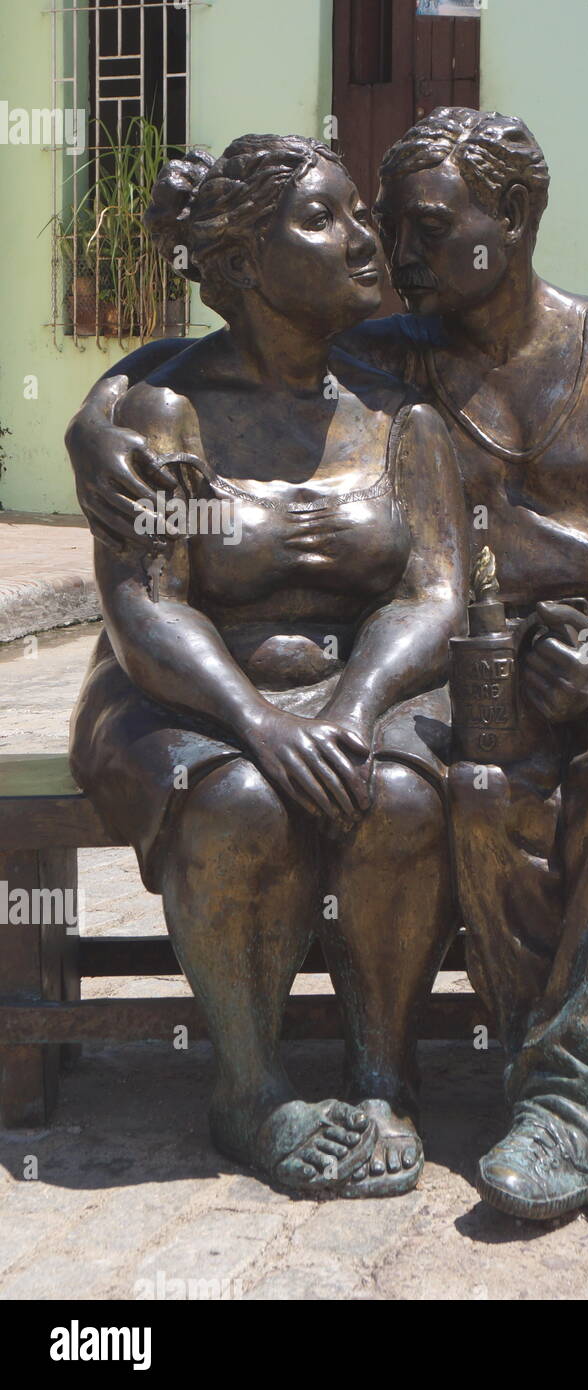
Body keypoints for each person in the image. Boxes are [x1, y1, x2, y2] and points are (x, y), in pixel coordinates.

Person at [66, 109, 588, 1220]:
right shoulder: (388, 349)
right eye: (376, 224)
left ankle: (587, 1098)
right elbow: (209, 352)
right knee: (454, 788)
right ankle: (470, 1086)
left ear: (513, 217)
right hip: (478, 663)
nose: (392, 251)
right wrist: (94, 422)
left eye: (422, 228)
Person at [68, 135, 468, 1198]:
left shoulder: (400, 418)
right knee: (245, 799)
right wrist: (258, 718)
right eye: (321, 217)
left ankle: (385, 1072)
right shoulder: (166, 414)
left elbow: (434, 592)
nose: (360, 237)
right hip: (181, 696)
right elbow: (145, 608)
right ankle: (248, 1088)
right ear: (243, 263)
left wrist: (355, 703)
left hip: (359, 686)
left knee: (397, 796)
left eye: (358, 212)